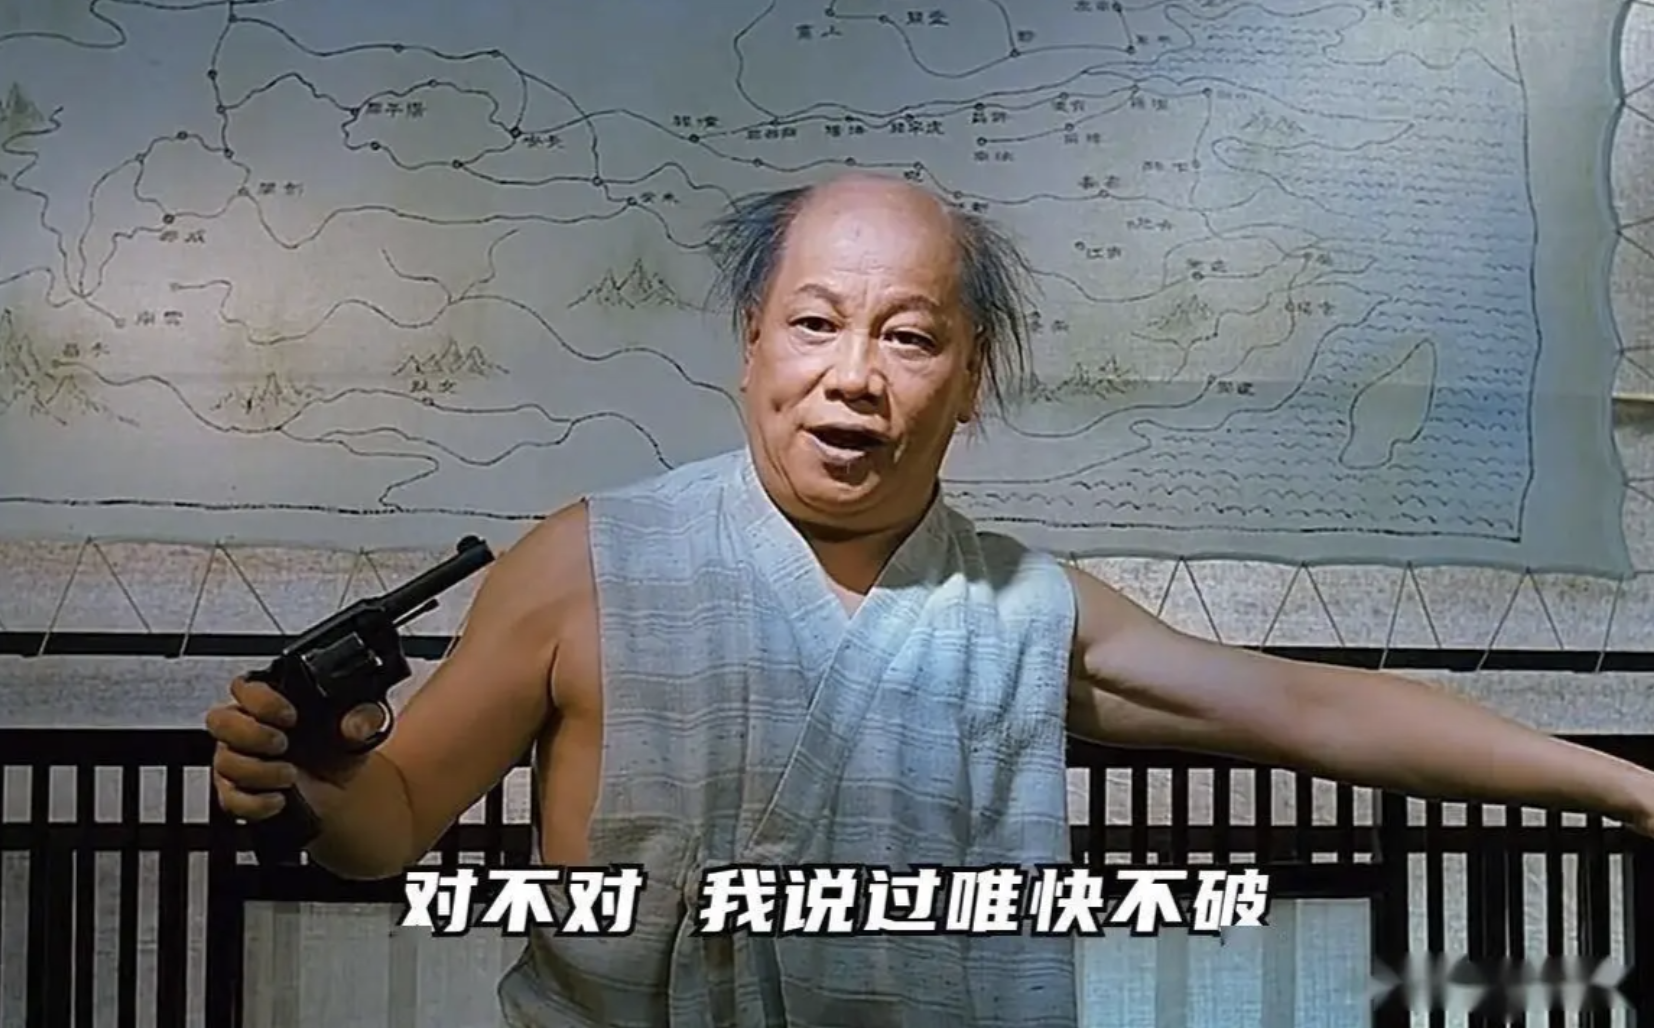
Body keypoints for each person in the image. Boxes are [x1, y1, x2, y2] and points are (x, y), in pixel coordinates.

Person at [205, 171, 1654, 1027]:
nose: (854, 376)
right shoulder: (586, 565)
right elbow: (390, 824)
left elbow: (1310, 709)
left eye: (910, 337)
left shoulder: (1020, 608)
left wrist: (1629, 789)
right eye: (814, 324)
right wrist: (311, 776)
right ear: (749, 344)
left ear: (971, 382)